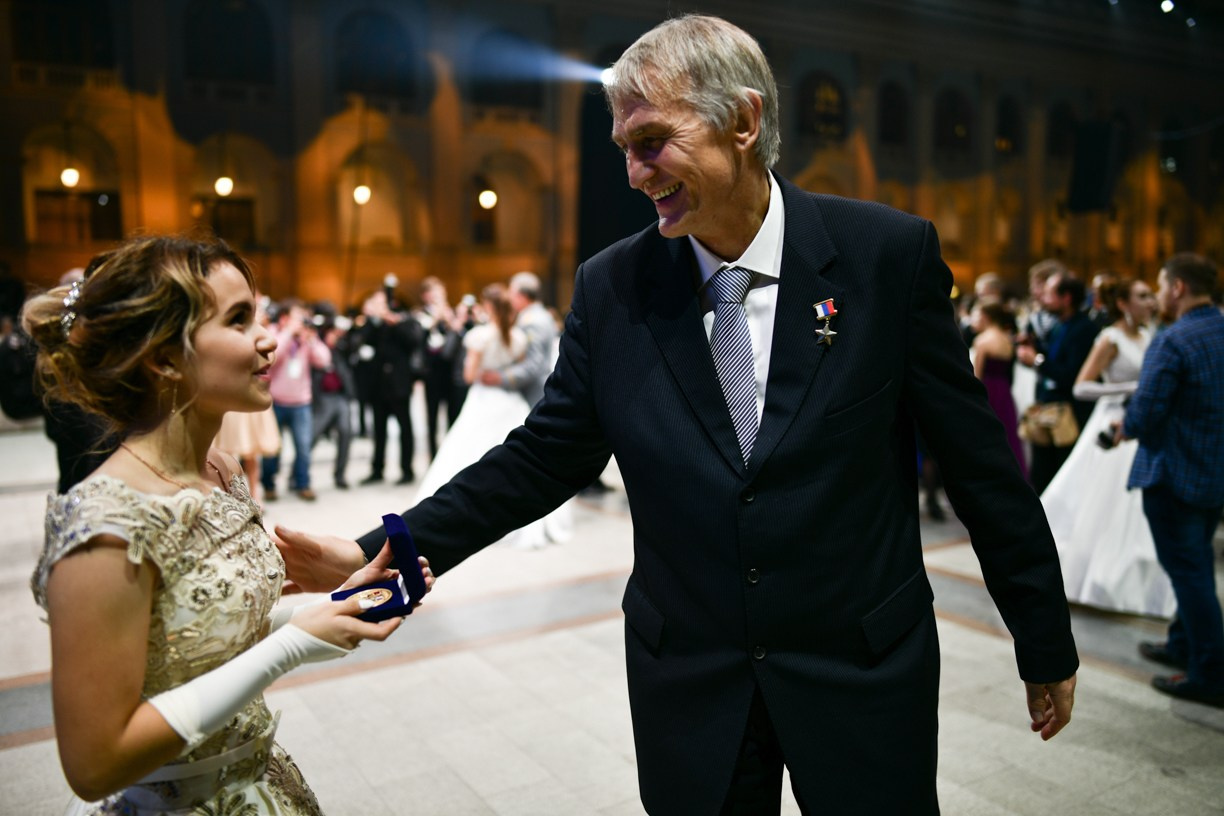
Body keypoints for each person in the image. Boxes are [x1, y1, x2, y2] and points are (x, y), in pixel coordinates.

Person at [276, 15, 1077, 814]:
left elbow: (979, 466)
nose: (632, 172)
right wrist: (377, 548)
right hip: (694, 681)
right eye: (623, 146)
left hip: (861, 668)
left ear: (743, 120)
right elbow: (542, 457)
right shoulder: (613, 287)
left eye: (652, 140)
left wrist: (1041, 635)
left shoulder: (884, 257)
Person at [20, 235, 412, 813]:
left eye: (258, 315)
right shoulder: (106, 527)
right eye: (237, 319)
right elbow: (94, 762)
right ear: (163, 356)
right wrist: (294, 646)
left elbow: (202, 636)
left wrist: (329, 607)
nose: (268, 338)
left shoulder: (220, 469)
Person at [1121, 253, 1224, 708]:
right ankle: (1183, 643)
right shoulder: (1221, 328)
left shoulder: (1173, 339)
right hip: (1213, 471)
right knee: (1197, 563)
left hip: (1175, 473)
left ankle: (1210, 672)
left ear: (1178, 288)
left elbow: (1144, 414)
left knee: (1191, 573)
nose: (1160, 294)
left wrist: (1121, 426)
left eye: (1161, 286)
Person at [1042, 278, 1173, 617]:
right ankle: (1086, 575)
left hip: (1137, 426)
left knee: (1132, 511)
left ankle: (1125, 581)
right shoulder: (1109, 338)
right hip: (1111, 421)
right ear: (1124, 304)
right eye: (1142, 295)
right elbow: (1082, 386)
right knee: (1098, 504)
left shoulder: (1147, 336)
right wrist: (1128, 387)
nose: (1150, 301)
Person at [1016, 271, 1099, 494]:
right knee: (1041, 475)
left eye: (1050, 293)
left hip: (1068, 413)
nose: (1043, 298)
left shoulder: (1084, 329)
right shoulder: (1058, 324)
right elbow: (1053, 358)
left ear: (1066, 298)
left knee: (1061, 478)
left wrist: (1037, 360)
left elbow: (1071, 374)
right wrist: (1034, 348)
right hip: (1048, 408)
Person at [261, 300, 330, 501]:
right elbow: (271, 358)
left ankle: (302, 484)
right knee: (272, 449)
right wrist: (289, 333)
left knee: (304, 447)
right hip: (275, 402)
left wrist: (312, 341)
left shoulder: (305, 339)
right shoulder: (273, 333)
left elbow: (324, 360)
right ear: (284, 319)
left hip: (301, 402)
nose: (302, 323)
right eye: (298, 318)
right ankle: (269, 485)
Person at [356, 290, 422, 485]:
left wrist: (395, 323)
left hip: (399, 384)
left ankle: (407, 470)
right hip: (378, 386)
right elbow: (362, 341)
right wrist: (373, 321)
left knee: (405, 428)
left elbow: (413, 342)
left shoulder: (403, 321)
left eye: (381, 303)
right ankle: (377, 469)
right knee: (379, 430)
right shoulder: (371, 324)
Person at [478, 271, 557, 408]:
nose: (509, 297)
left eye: (511, 292)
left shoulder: (532, 321)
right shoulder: (540, 315)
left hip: (533, 391)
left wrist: (501, 377)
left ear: (523, 296)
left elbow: (533, 364)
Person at [971, 301, 1027, 478]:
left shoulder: (982, 340)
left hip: (988, 392)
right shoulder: (1006, 338)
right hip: (1004, 391)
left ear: (986, 317)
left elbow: (976, 375)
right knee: (1008, 435)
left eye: (976, 315)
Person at [415, 277, 464, 459]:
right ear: (426, 296)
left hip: (450, 371)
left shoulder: (450, 314)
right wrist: (436, 318)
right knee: (432, 416)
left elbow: (458, 336)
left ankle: (451, 454)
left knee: (453, 414)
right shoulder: (421, 314)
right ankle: (433, 456)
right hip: (431, 372)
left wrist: (451, 319)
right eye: (435, 294)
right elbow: (420, 337)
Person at [310, 317, 357, 489]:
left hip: (341, 396)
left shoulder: (340, 349)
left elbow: (354, 347)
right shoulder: (316, 348)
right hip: (323, 397)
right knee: (312, 435)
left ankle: (340, 475)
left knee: (346, 433)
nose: (334, 336)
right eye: (331, 332)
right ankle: (298, 475)